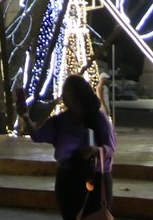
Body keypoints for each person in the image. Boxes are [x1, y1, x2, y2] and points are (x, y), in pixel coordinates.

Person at [18, 75, 115, 220]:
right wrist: (26, 117)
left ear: (78, 94)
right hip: (68, 178)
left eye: (67, 91)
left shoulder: (98, 119)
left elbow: (110, 147)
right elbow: (38, 135)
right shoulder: (61, 121)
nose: (63, 95)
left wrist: (95, 151)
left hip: (95, 178)